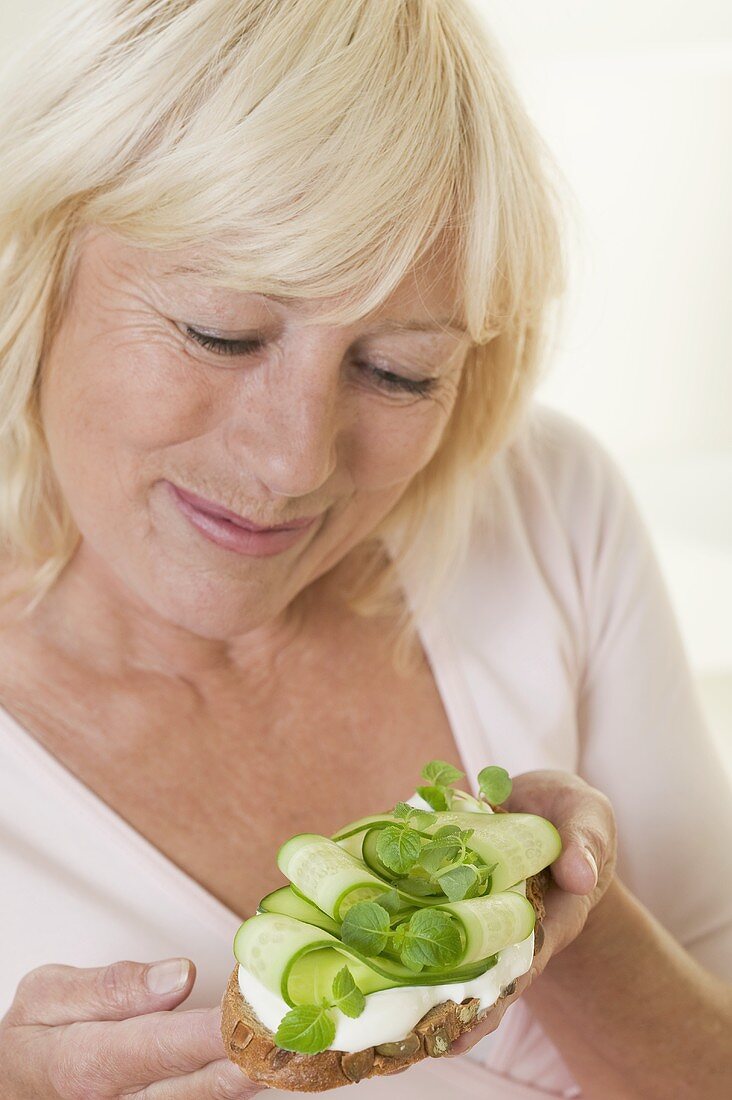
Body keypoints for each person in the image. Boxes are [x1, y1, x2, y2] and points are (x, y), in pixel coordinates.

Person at [0, 2, 730, 1098]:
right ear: (31, 269)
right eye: (219, 331)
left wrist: (558, 919)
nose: (297, 461)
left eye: (399, 371)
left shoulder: (546, 506)